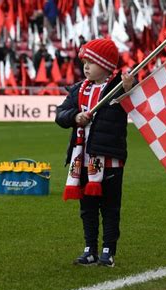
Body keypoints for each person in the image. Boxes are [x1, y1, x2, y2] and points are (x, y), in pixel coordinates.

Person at [55, 39, 135, 267]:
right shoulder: (79, 89)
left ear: (106, 64)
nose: (86, 66)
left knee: (110, 208)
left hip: (110, 159)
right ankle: (89, 248)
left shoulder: (119, 87)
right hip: (83, 159)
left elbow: (137, 103)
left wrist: (130, 88)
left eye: (91, 62)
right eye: (85, 62)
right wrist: (74, 117)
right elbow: (60, 114)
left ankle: (108, 250)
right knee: (87, 207)